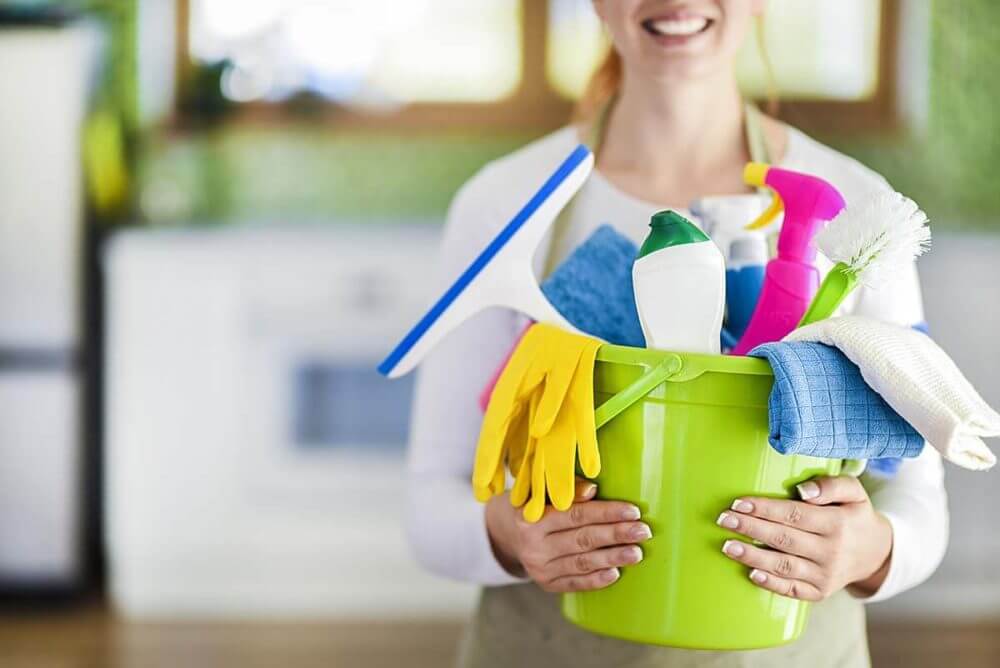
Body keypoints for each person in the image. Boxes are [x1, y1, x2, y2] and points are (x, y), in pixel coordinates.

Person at [406, 2, 948, 666]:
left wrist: (868, 550)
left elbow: (920, 498)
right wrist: (510, 535)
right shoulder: (506, 201)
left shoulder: (856, 208)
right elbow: (432, 500)